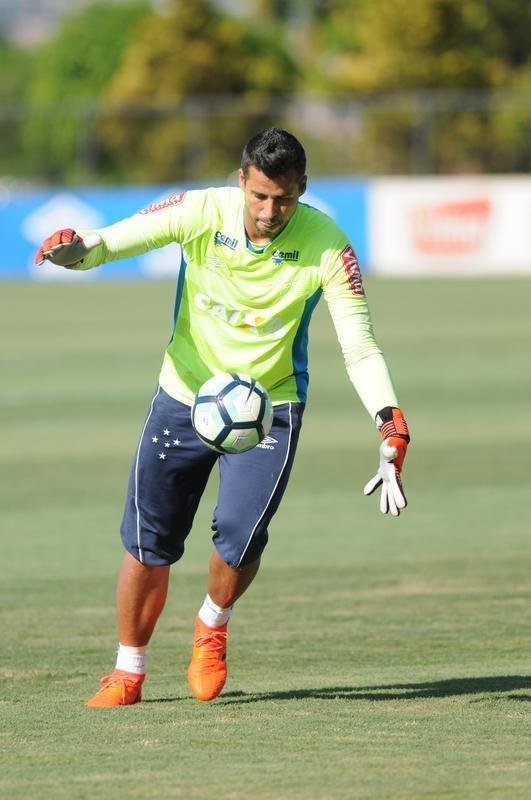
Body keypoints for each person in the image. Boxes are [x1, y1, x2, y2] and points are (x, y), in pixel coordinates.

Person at [36, 127, 410, 707]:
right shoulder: (201, 210)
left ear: (302, 189)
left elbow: (359, 345)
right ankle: (128, 670)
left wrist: (389, 420)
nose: (269, 211)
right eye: (259, 196)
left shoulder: (329, 245)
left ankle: (212, 623)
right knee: (147, 542)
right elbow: (116, 239)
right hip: (184, 395)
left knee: (240, 537)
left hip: (271, 408)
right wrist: (77, 251)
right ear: (242, 181)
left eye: (283, 199)